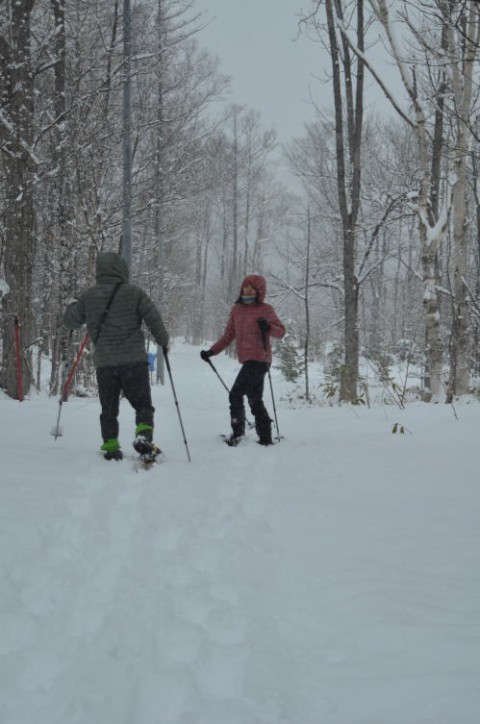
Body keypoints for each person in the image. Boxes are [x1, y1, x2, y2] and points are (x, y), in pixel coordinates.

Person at [64, 251, 169, 461]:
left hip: (106, 364)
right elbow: (153, 318)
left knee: (109, 408)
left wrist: (71, 304)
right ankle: (143, 435)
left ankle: (111, 446)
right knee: (143, 405)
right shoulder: (134, 293)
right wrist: (163, 341)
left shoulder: (89, 296)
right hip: (134, 363)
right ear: (121, 269)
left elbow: (71, 321)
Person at [200, 274, 285, 446]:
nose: (247, 289)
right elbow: (228, 336)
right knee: (255, 399)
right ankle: (266, 437)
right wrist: (211, 352)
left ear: (259, 291)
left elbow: (281, 332)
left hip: (260, 359)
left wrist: (268, 327)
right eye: (245, 286)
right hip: (247, 360)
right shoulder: (237, 310)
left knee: (236, 394)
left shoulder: (265, 309)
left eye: (251, 287)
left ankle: (238, 434)